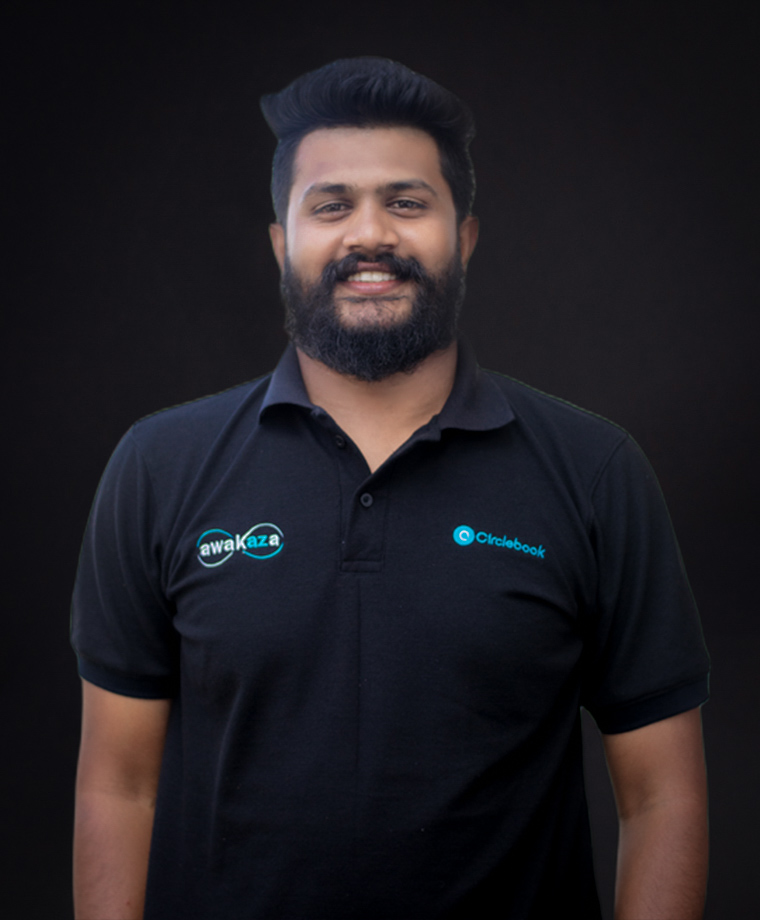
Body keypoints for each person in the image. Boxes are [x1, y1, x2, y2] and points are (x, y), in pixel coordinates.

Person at [72, 57, 710, 920]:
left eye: (407, 203)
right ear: (281, 243)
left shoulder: (595, 470)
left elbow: (662, 797)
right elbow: (119, 786)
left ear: (465, 236)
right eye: (331, 205)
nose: (369, 235)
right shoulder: (158, 466)